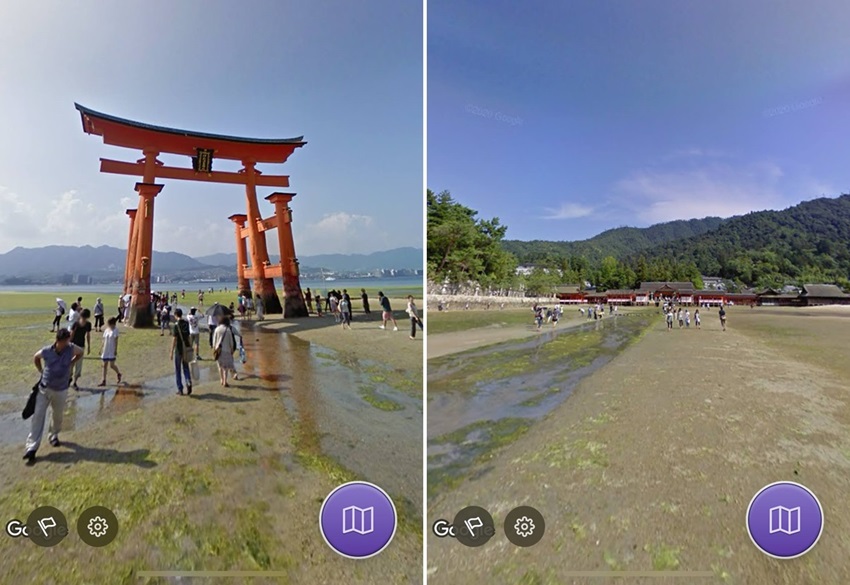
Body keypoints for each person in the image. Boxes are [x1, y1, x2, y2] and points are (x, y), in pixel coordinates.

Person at [23, 329, 84, 462]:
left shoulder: (71, 348)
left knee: (57, 416)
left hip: (61, 390)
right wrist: (41, 370)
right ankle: (31, 448)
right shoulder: (47, 351)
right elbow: (36, 357)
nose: (67, 343)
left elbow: (80, 352)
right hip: (44, 389)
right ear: (58, 340)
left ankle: (53, 435)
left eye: (68, 340)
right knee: (38, 417)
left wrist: (72, 362)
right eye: (65, 341)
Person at [170, 308, 193, 396]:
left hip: (179, 349)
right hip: (186, 348)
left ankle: (180, 388)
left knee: (178, 369)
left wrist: (171, 351)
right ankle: (188, 382)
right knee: (186, 367)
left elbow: (174, 339)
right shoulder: (186, 323)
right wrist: (190, 346)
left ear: (176, 315)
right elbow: (188, 336)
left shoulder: (176, 325)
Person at [69, 308, 92, 390]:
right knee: (71, 363)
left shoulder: (87, 324)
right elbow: (71, 335)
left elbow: (88, 335)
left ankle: (74, 382)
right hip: (74, 345)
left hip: (80, 346)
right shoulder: (76, 324)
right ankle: (70, 379)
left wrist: (89, 346)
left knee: (78, 365)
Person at [213, 316, 238, 387]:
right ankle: (225, 381)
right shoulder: (228, 330)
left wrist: (214, 348)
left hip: (218, 350)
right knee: (225, 367)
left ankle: (221, 379)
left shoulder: (217, 329)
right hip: (226, 350)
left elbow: (214, 340)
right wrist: (232, 349)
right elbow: (231, 342)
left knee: (220, 366)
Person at [98, 317, 122, 387]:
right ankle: (103, 380)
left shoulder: (115, 330)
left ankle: (118, 373)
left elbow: (116, 341)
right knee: (104, 365)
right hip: (106, 349)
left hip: (111, 349)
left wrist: (115, 350)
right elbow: (104, 340)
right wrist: (101, 349)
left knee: (112, 365)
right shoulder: (106, 330)